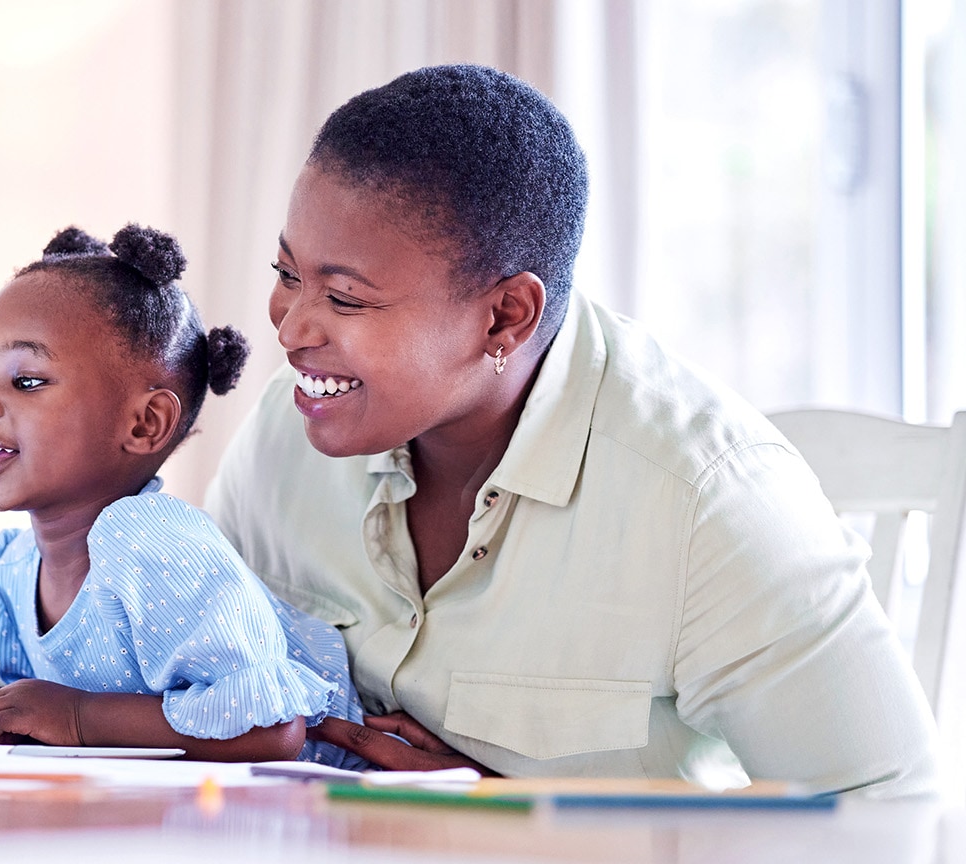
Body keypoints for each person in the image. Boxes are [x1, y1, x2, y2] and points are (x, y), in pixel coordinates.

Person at [201, 64, 937, 795]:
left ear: (504, 316)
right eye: (287, 273)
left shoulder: (706, 503)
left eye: (344, 298)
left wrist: (513, 814)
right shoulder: (283, 431)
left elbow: (891, 819)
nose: (291, 327)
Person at [0, 223, 365, 766]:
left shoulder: (156, 545)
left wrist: (77, 717)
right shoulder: (11, 571)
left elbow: (272, 730)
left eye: (27, 382)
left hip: (337, 817)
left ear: (144, 424)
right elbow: (35, 720)